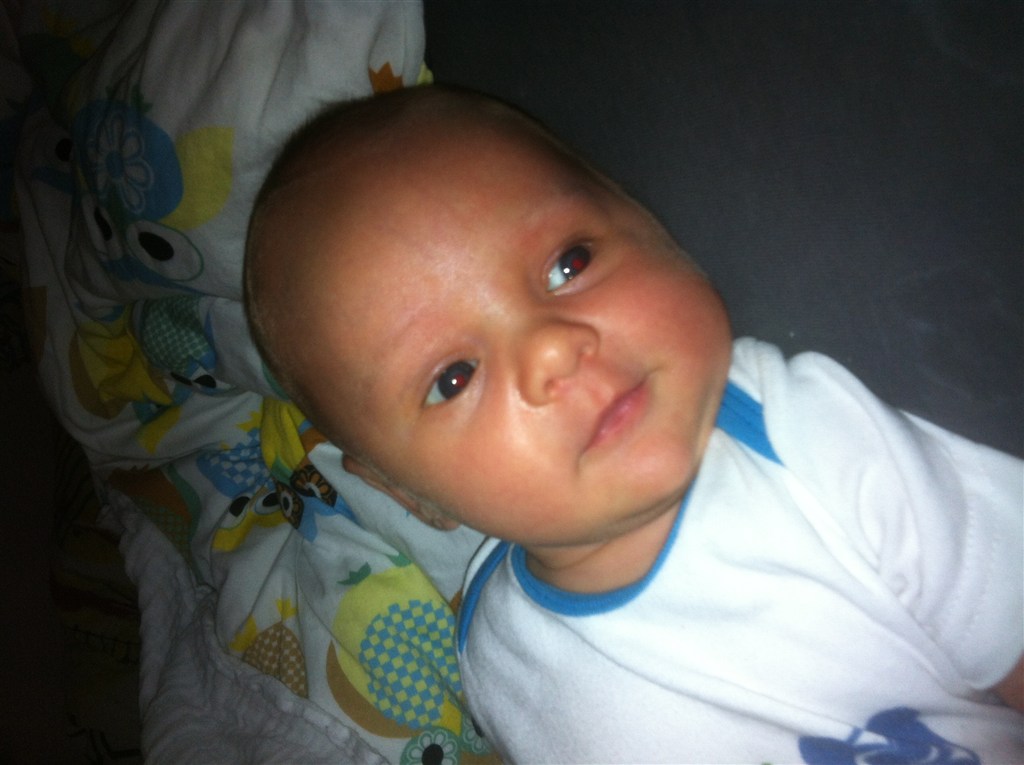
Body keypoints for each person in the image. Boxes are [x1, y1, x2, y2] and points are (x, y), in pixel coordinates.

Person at [243, 85, 1022, 763]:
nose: (552, 348)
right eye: (454, 377)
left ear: (648, 221)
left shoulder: (805, 434)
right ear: (412, 495)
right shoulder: (495, 659)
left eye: (570, 262)